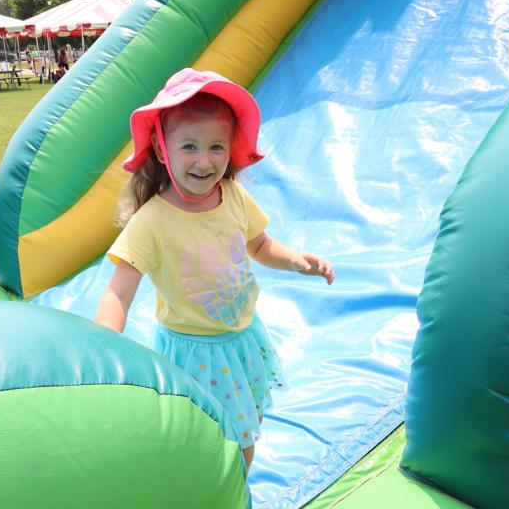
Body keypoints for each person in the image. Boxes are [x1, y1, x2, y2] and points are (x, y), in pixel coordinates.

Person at [94, 68, 334, 473]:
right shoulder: (152, 221)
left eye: (216, 147)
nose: (204, 161)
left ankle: (232, 490)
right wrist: (104, 344)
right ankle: (218, 491)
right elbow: (119, 292)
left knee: (247, 428)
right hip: (193, 352)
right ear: (160, 146)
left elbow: (259, 244)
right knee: (220, 442)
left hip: (242, 339)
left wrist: (294, 260)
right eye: (189, 146)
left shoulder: (233, 195)